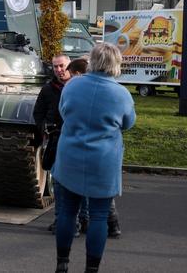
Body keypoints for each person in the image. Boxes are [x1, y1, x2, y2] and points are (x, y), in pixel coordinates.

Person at [53, 43, 136, 273]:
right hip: (103, 161)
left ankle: (62, 263)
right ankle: (91, 269)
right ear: (115, 64)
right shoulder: (121, 94)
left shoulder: (72, 85)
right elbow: (128, 123)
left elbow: (63, 111)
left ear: (93, 60)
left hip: (70, 156)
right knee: (99, 217)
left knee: (67, 212)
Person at [33, 53, 70, 233]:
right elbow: (38, 113)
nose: (59, 70)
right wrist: (44, 129)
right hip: (55, 139)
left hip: (73, 139)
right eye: (55, 67)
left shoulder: (77, 87)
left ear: (69, 65)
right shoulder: (48, 89)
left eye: (62, 66)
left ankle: (81, 220)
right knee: (57, 182)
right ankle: (59, 220)